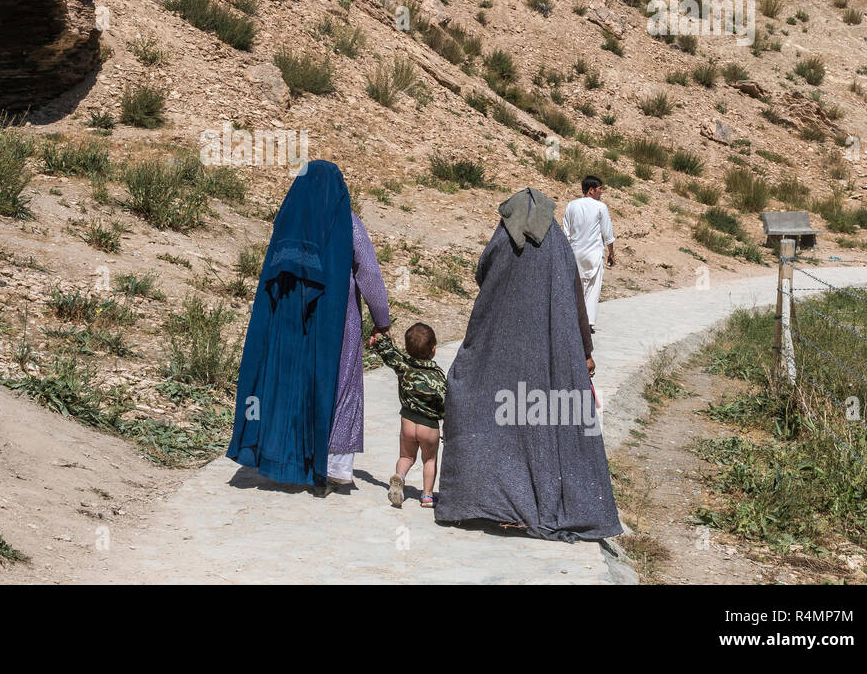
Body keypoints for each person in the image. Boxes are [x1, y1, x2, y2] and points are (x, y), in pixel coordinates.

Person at [435, 187, 622, 541]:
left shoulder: (502, 241)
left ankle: (488, 499)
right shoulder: (558, 247)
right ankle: (534, 499)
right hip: (547, 349)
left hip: (499, 345)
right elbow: (576, 301)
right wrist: (585, 349)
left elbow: (482, 274)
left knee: (482, 403)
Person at [227, 160, 390, 490]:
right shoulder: (348, 224)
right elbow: (369, 274)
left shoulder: (287, 223)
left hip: (285, 326)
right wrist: (382, 321)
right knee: (339, 386)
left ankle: (280, 456)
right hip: (335, 326)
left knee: (288, 386)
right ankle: (330, 466)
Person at [375, 323, 446, 509]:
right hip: (429, 426)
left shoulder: (403, 366)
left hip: (407, 421)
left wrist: (379, 338)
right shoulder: (438, 377)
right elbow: (446, 403)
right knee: (429, 460)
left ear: (407, 348)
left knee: (406, 456)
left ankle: (399, 478)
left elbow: (389, 354)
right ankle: (427, 496)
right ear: (433, 350)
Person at [561, 175, 616, 330]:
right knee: (592, 287)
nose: (602, 192)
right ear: (591, 190)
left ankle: (572, 320)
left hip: (575, 252)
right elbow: (607, 233)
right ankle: (588, 323)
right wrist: (611, 253)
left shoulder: (571, 205)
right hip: (594, 254)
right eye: (600, 189)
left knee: (576, 287)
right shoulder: (601, 207)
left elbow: (565, 232)